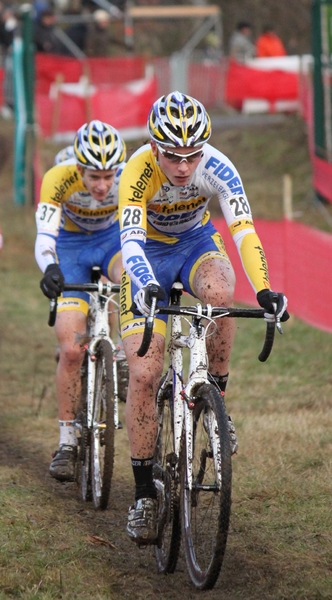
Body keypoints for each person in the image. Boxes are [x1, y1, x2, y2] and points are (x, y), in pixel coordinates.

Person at [118, 91, 289, 545]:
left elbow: (244, 230)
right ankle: (142, 497)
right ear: (155, 148)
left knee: (220, 292)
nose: (183, 166)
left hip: (195, 243)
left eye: (192, 155)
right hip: (145, 257)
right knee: (144, 372)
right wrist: (145, 283)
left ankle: (217, 399)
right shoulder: (137, 170)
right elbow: (130, 242)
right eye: (173, 155)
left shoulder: (217, 166)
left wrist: (266, 289)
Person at [35, 120, 129, 482]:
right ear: (78, 169)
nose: (103, 185)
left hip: (111, 241)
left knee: (129, 280)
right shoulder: (58, 176)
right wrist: (51, 267)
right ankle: (67, 441)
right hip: (70, 247)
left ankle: (118, 349)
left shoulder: (128, 176)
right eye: (94, 177)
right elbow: (45, 234)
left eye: (109, 176)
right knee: (72, 350)